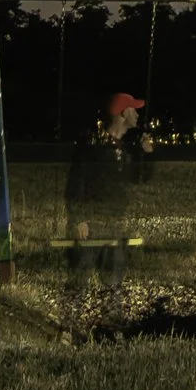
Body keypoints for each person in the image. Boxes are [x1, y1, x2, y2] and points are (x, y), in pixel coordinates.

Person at [64, 92, 152, 290]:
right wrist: (79, 218)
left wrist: (146, 155)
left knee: (114, 277)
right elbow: (76, 183)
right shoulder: (93, 147)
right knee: (81, 276)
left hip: (115, 221)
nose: (137, 114)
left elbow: (139, 178)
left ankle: (111, 312)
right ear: (122, 112)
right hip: (91, 225)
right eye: (133, 109)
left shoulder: (126, 150)